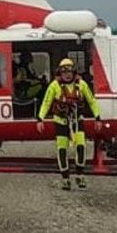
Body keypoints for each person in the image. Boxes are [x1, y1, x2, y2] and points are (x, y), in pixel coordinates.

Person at [38, 57, 101, 190]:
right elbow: (46, 102)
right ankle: (65, 178)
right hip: (61, 122)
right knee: (62, 149)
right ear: (60, 73)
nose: (67, 75)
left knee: (81, 146)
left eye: (69, 72)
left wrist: (97, 117)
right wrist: (40, 119)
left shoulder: (81, 84)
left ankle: (80, 175)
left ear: (74, 72)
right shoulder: (54, 86)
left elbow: (91, 101)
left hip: (77, 121)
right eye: (64, 72)